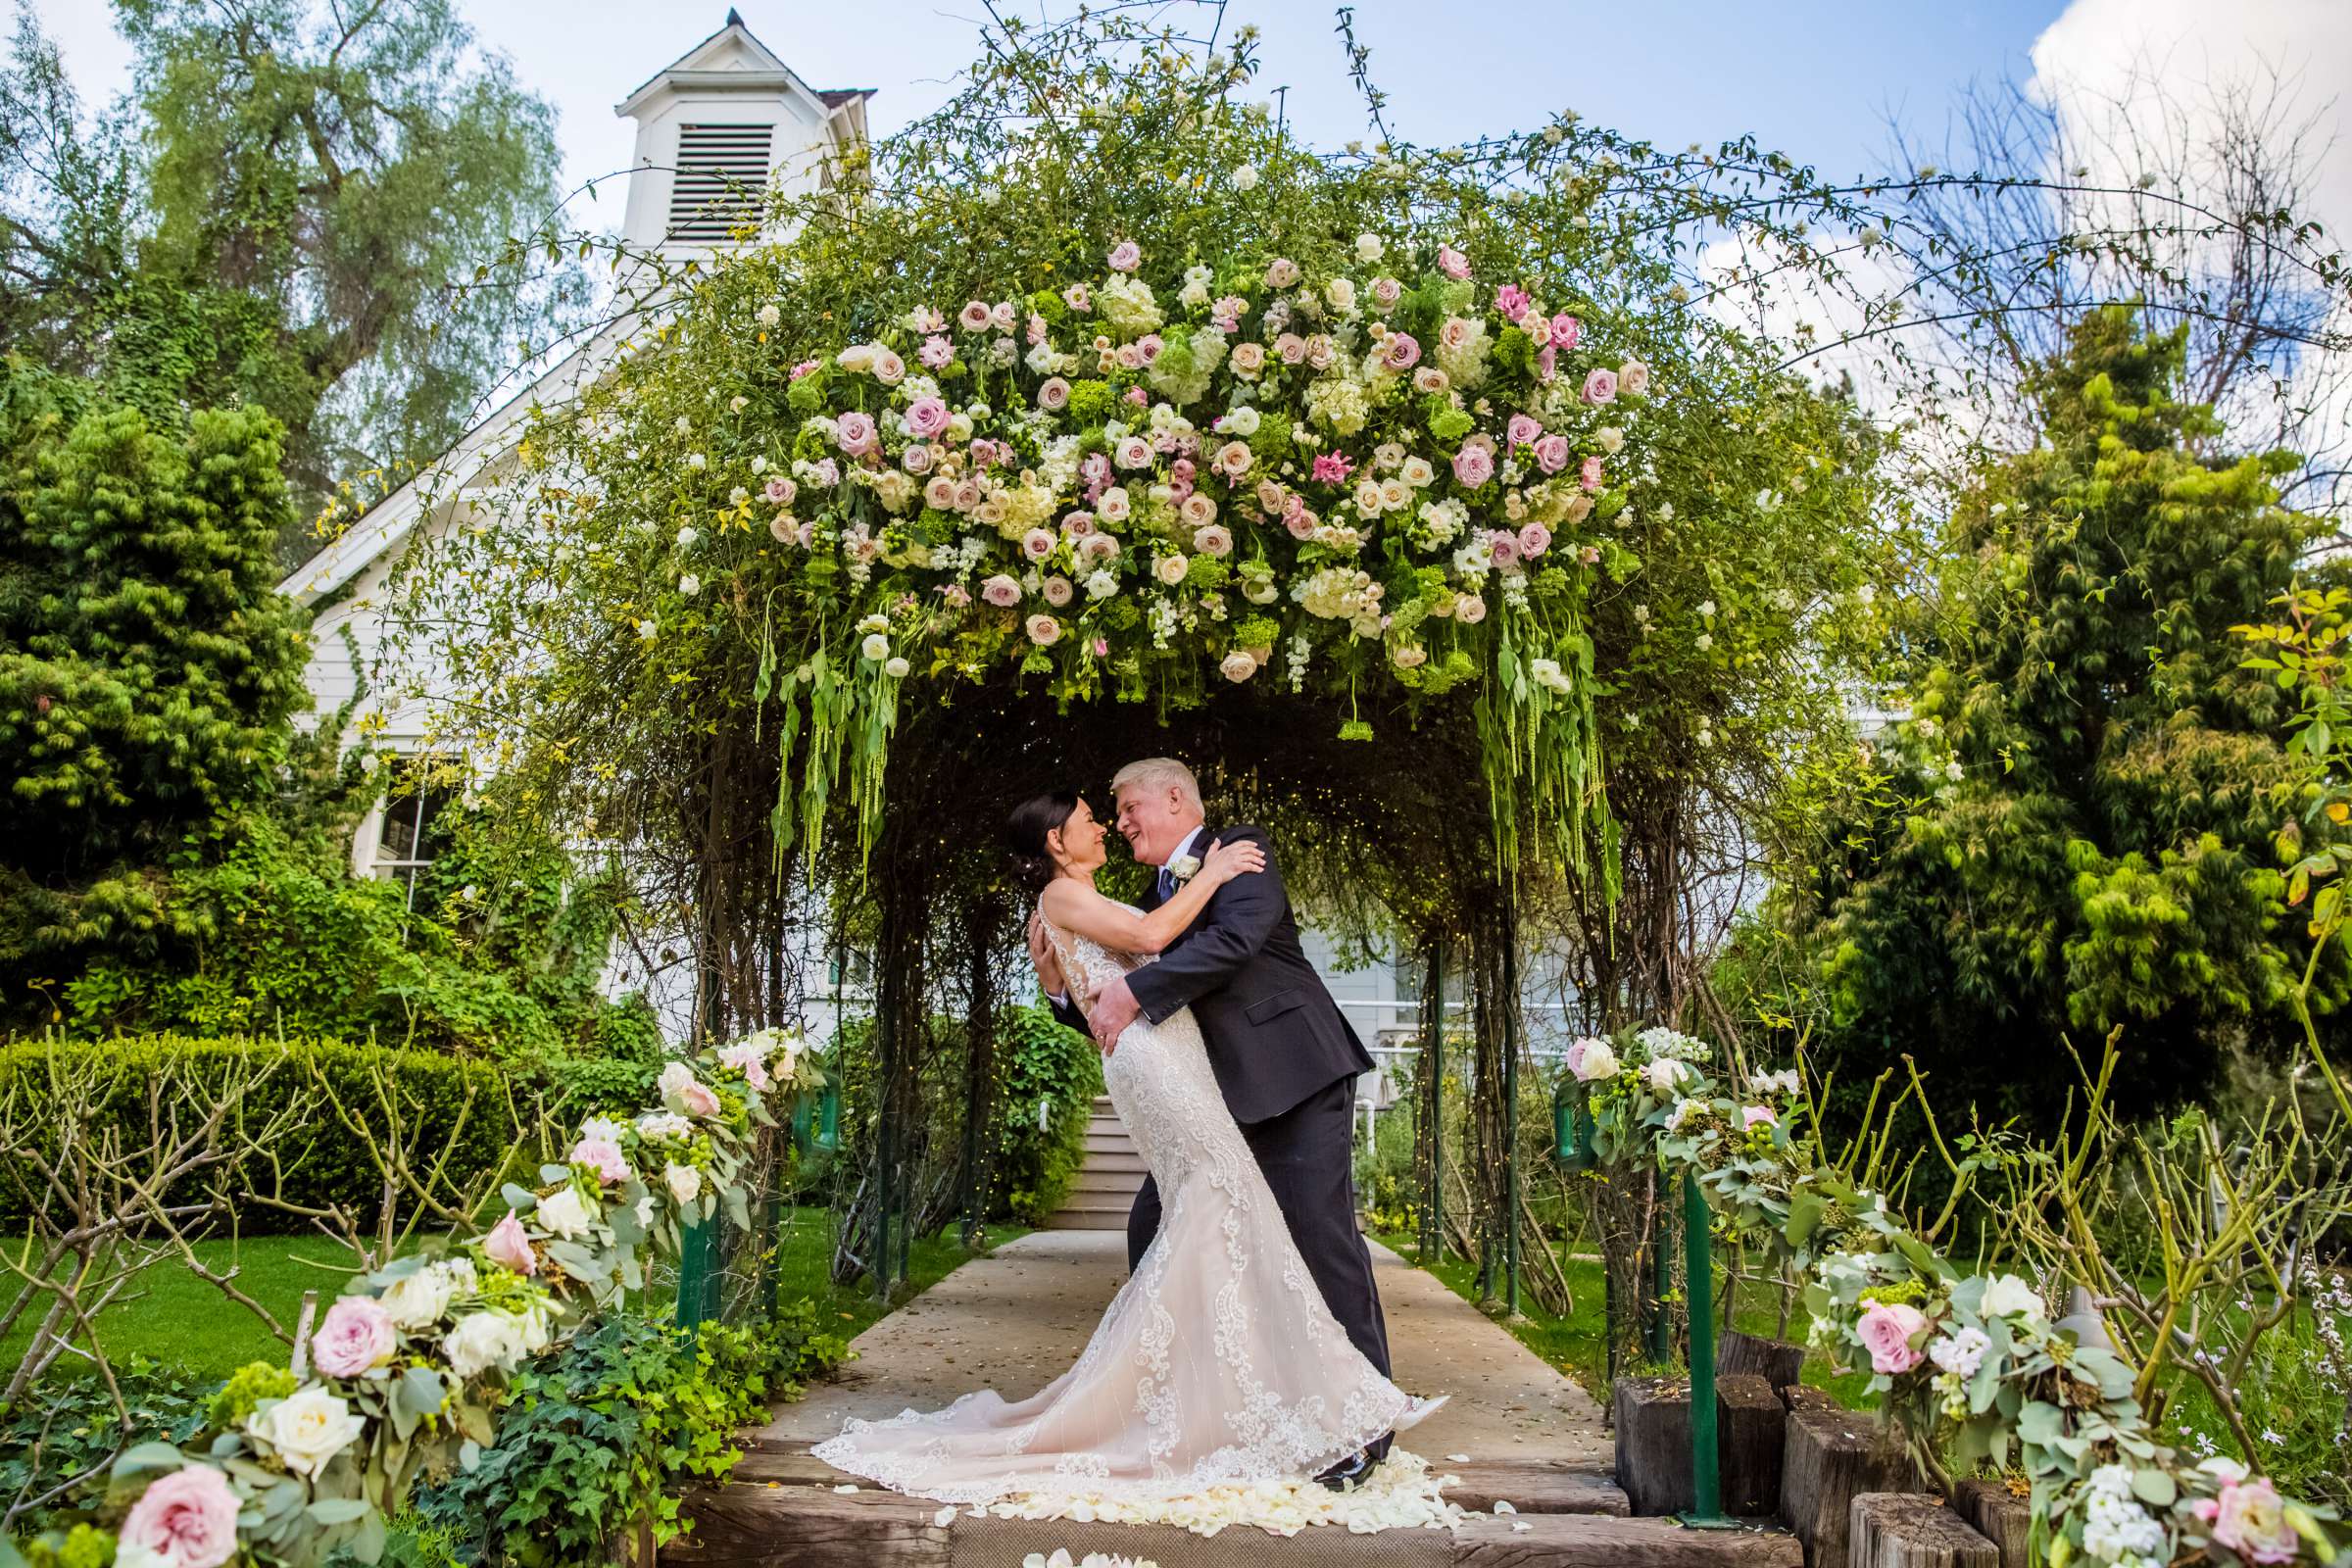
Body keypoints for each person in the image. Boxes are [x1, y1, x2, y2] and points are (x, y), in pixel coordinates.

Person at [810, 782, 1440, 1506]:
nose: (1116, 822)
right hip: (1197, 1083)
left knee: (1319, 1238)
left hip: (1289, 1077)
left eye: (1126, 806)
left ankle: (1363, 1426)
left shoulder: (1239, 852)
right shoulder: (1151, 890)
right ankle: (1190, 1402)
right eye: (1098, 816)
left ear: (1172, 796)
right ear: (1056, 842)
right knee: (1167, 1226)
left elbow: (1223, 949)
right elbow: (1122, 985)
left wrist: (1133, 978)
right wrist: (1061, 989)